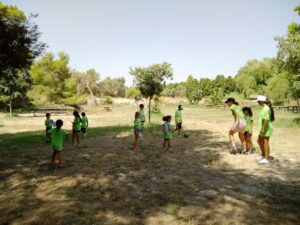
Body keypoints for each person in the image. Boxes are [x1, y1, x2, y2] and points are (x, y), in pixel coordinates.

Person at [256, 96, 275, 164]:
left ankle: (266, 158)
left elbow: (266, 120)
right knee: (259, 141)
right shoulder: (265, 108)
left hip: (266, 129)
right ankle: (264, 155)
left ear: (261, 101)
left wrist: (262, 129)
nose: (258, 103)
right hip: (264, 128)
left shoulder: (265, 109)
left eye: (258, 102)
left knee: (265, 143)